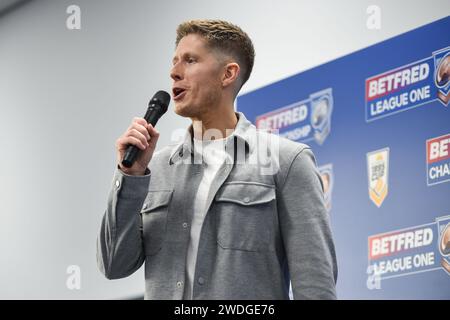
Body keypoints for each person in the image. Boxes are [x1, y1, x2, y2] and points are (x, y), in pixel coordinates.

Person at [97, 19, 337, 300]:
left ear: (228, 74)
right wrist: (131, 177)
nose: (174, 73)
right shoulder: (156, 169)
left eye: (190, 60)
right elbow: (114, 264)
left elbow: (316, 286)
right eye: (174, 61)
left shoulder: (287, 161)